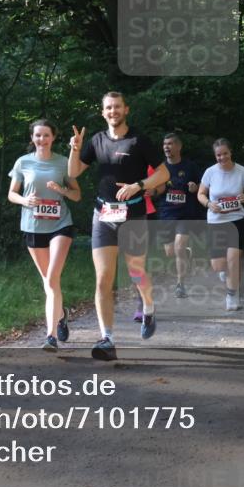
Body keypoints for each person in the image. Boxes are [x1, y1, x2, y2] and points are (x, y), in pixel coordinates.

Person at [68, 92, 170, 361]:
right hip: (103, 215)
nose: (112, 111)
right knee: (103, 278)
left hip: (133, 215)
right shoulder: (97, 140)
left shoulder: (138, 140)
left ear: (126, 109)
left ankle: (148, 308)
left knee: (136, 272)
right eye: (108, 108)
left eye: (117, 107)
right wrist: (75, 149)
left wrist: (139, 185)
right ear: (103, 112)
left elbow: (163, 173)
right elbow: (73, 173)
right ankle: (107, 338)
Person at [7, 119, 81, 352]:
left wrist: (61, 190)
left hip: (60, 225)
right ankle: (62, 315)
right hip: (33, 226)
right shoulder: (23, 162)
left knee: (51, 278)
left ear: (53, 137)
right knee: (49, 282)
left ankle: (51, 337)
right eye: (37, 135)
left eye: (46, 135)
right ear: (32, 138)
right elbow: (11, 194)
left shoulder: (63, 162)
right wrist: (25, 200)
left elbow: (77, 195)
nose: (42, 139)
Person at [198, 138, 244, 311]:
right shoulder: (210, 172)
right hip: (216, 221)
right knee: (218, 266)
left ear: (230, 152)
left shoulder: (241, 171)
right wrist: (209, 204)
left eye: (225, 153)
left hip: (236, 220)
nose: (222, 157)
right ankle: (225, 273)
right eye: (218, 155)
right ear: (215, 156)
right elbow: (201, 194)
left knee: (234, 259)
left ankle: (232, 294)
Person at [152, 133, 202, 299]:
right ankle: (185, 254)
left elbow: (202, 185)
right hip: (166, 213)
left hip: (185, 213)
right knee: (170, 252)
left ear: (179, 146)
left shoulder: (190, 166)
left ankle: (180, 284)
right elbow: (156, 188)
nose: (166, 147)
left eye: (170, 143)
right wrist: (152, 191)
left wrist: (195, 187)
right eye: (165, 144)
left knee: (179, 247)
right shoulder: (160, 169)